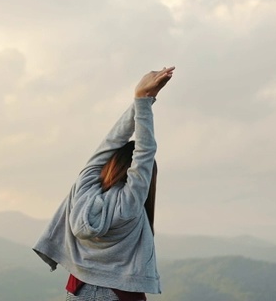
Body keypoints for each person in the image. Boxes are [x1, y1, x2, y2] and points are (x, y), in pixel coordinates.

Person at [33, 67, 175, 301]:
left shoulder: (84, 187)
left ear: (110, 163)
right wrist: (143, 100)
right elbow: (145, 152)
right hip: (119, 295)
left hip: (77, 291)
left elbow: (113, 140)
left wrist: (143, 99)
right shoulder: (129, 203)